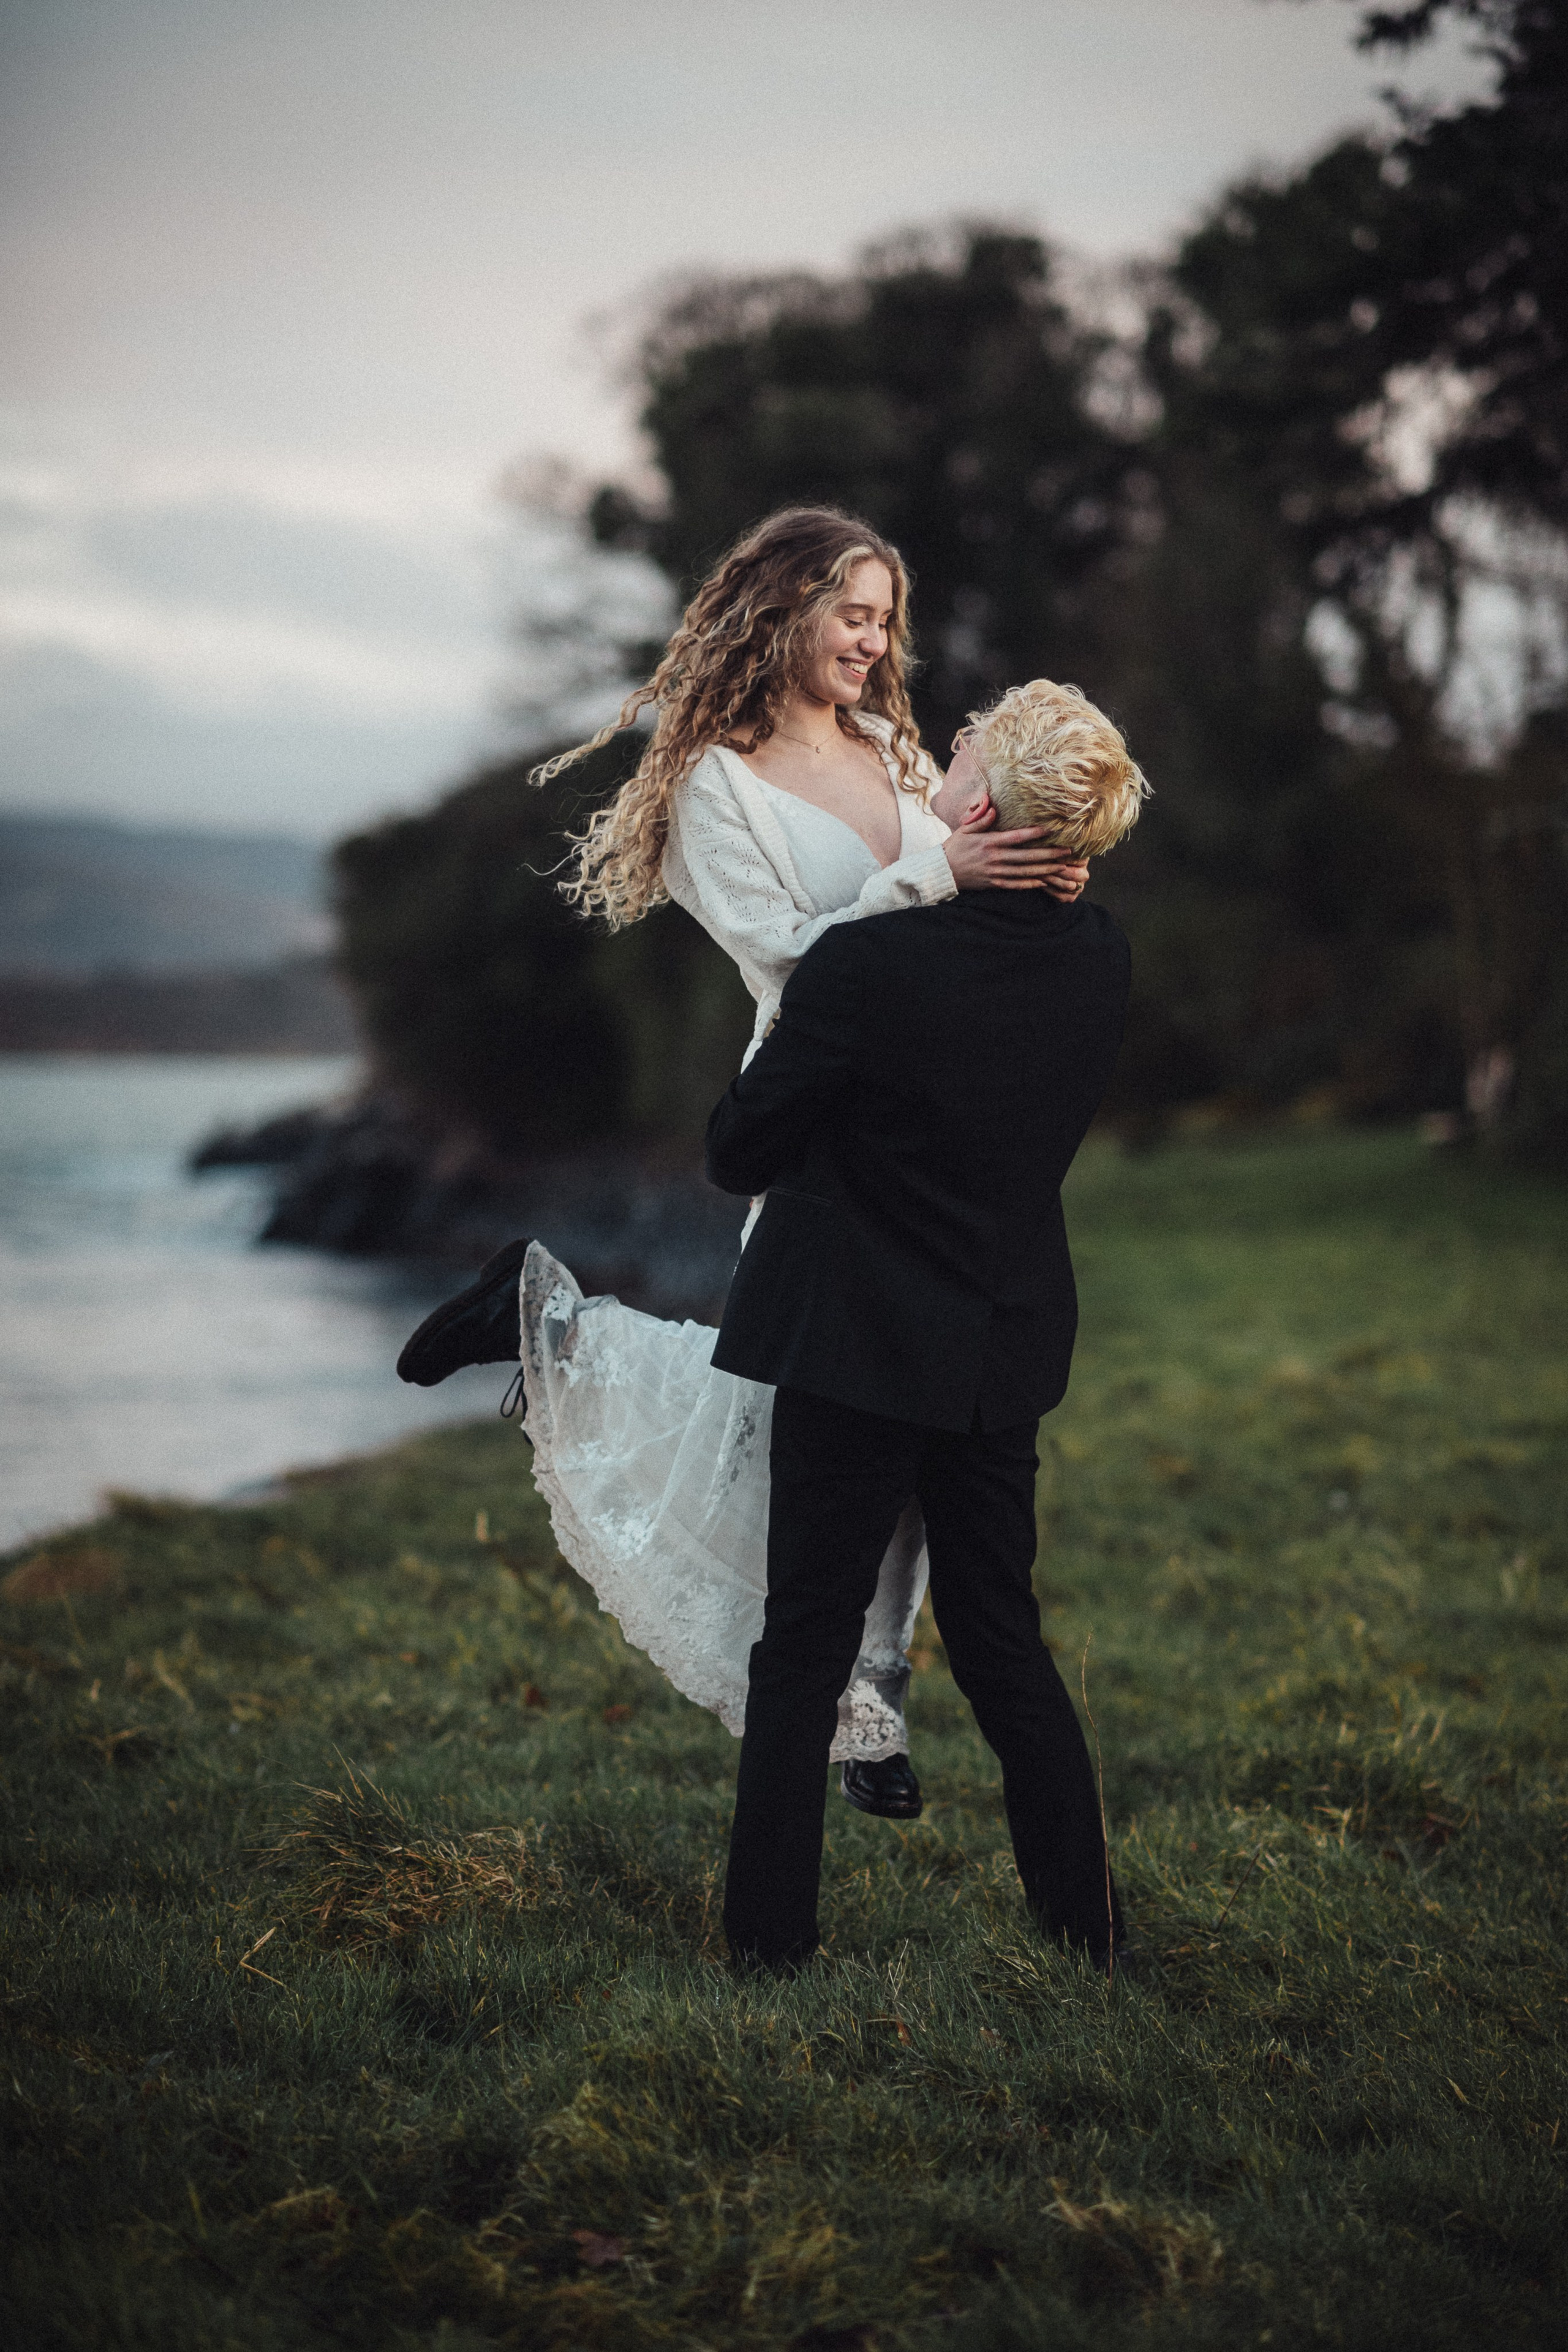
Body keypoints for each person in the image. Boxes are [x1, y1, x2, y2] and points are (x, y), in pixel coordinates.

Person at [397, 507, 1087, 1817]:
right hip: (818, 1123)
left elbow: (968, 892)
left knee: (870, 1419)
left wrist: (1029, 885)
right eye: (855, 612)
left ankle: (864, 1684)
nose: (877, 640)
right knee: (796, 1424)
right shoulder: (715, 782)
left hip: (933, 1125)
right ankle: (556, 1329)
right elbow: (782, 953)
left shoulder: (892, 747)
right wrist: (934, 888)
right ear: (780, 611)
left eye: (886, 616)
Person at [705, 677, 1148, 1973]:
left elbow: (739, 1150)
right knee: (1003, 1640)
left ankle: (768, 1948)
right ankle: (1086, 1935)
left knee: (801, 1651)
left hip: (851, 1345)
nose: (942, 747)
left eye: (961, 745)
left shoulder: (867, 961)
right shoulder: (1100, 950)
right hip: (995, 1343)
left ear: (979, 800)